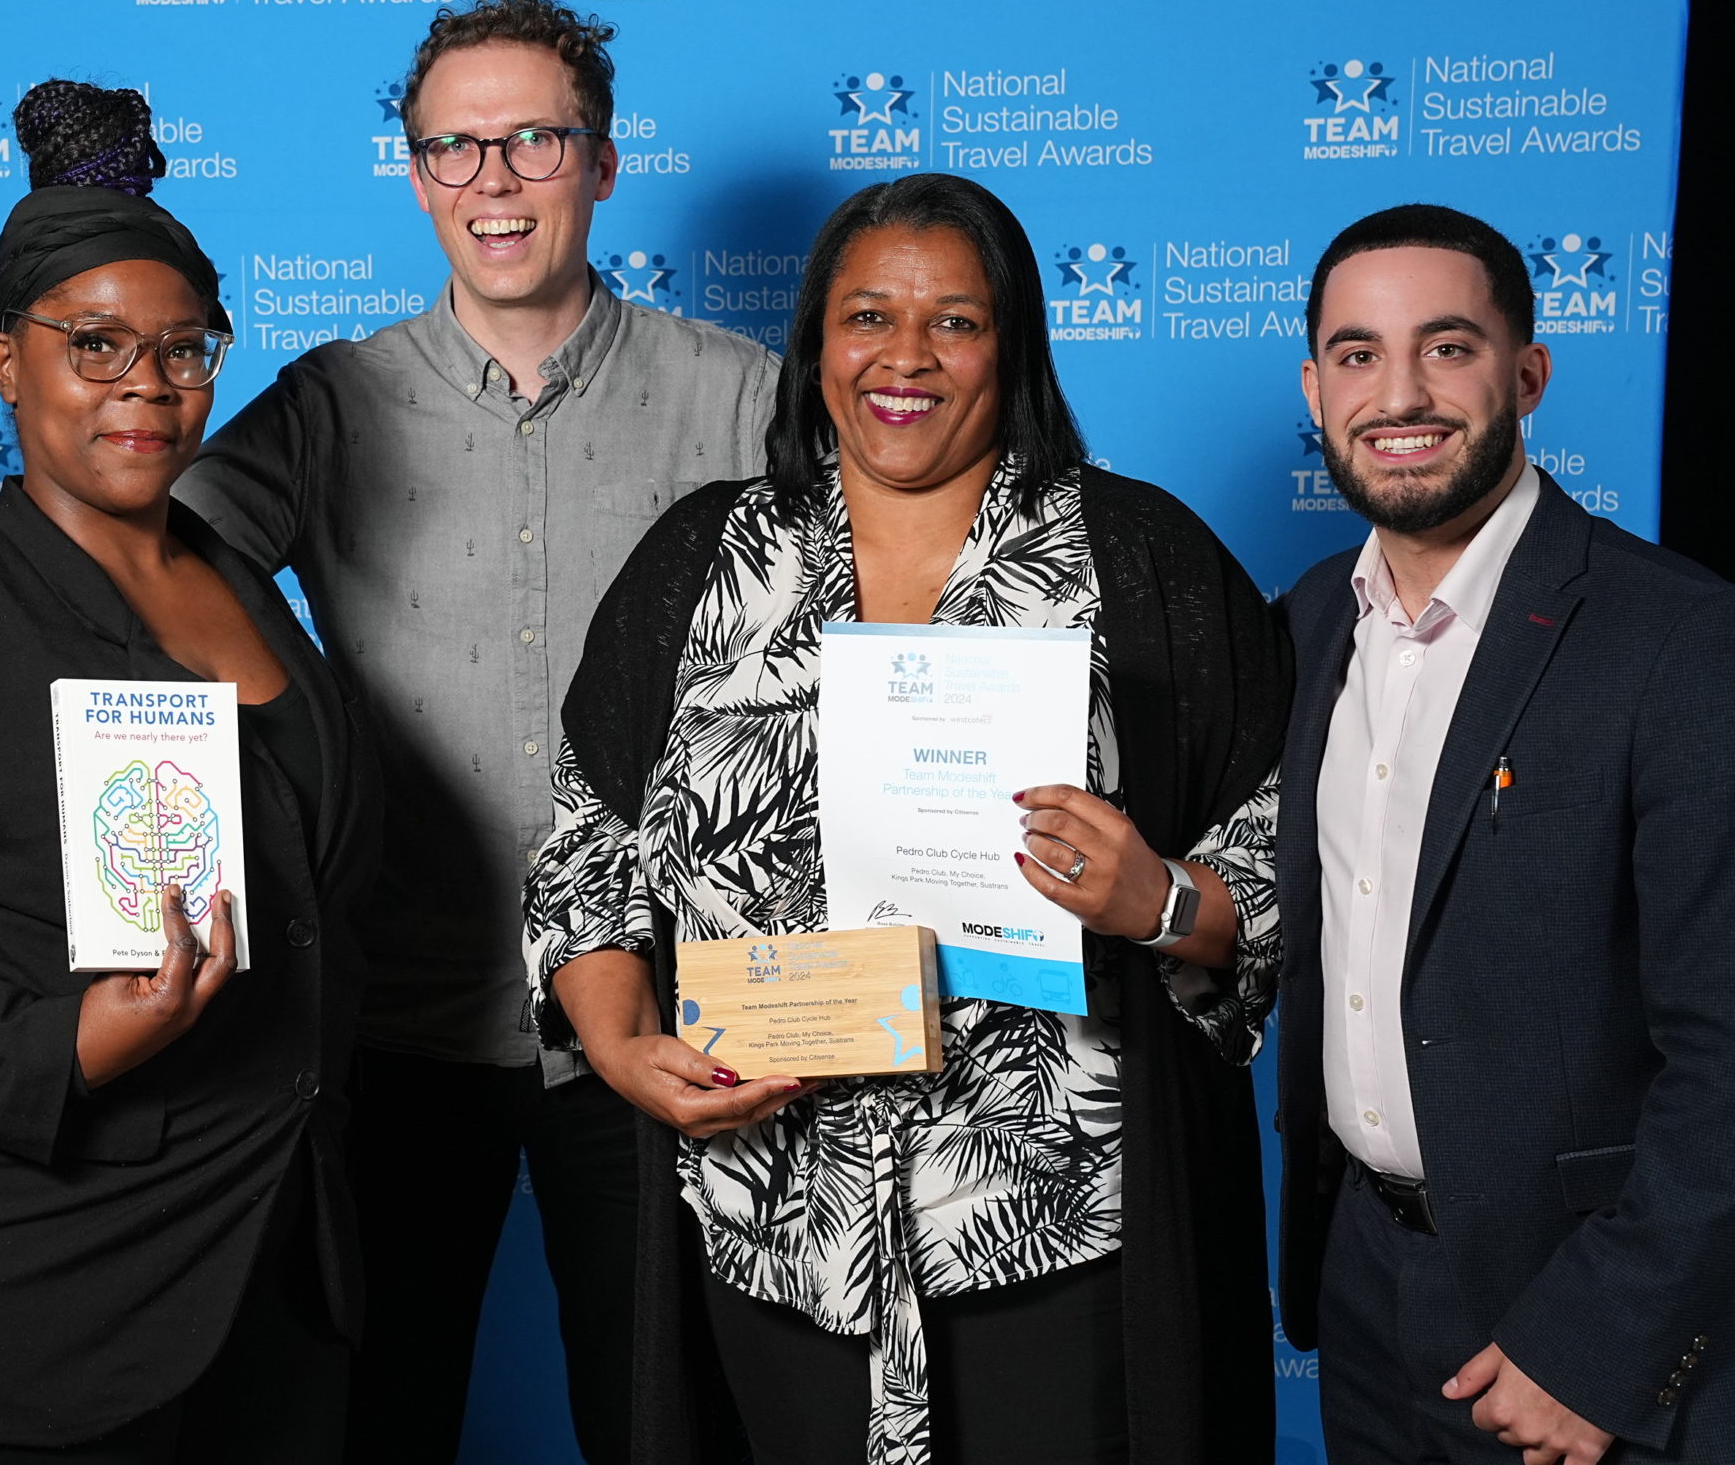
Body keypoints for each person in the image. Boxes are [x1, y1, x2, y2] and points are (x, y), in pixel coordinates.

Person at [525, 172, 1291, 1465]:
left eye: (958, 322)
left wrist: (1161, 899)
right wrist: (617, 1040)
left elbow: (1283, 847)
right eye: (868, 315)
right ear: (816, 338)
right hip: (774, 1220)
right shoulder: (706, 559)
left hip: (1049, 1226)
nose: (907, 358)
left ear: (1017, 345)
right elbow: (588, 841)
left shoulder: (1140, 561)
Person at [175, 0, 778, 1465]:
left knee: (670, 1426)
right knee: (370, 1421)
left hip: (664, 1022)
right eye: (453, 148)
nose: (492, 182)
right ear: (413, 170)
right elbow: (145, 557)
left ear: (604, 161)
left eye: (532, 141)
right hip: (394, 1015)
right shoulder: (327, 400)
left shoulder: (742, 394)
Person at [0, 81, 383, 1464]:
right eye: (94, 344)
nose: (146, 385)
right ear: (3, 361)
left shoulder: (242, 584)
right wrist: (66, 1044)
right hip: (28, 1294)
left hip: (267, 1272)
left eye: (183, 348)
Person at [1273, 204, 1732, 1465]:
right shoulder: (1311, 623)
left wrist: (1605, 1344)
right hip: (1364, 1289)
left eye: (1448, 346)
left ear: (1525, 372)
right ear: (1316, 387)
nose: (1399, 392)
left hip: (1572, 1311)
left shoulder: (1676, 639)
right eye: (1358, 354)